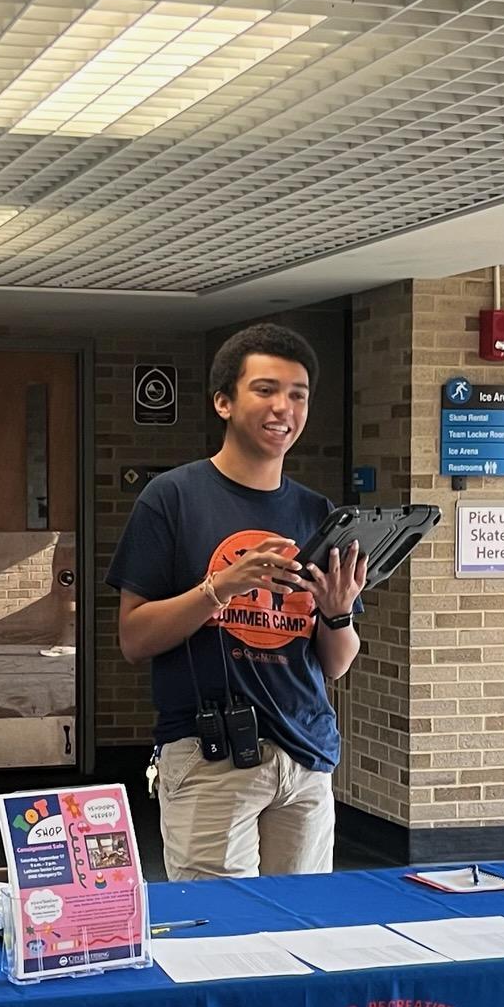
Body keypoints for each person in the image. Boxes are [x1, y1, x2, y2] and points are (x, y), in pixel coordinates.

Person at [106, 323, 366, 881]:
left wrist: (339, 611)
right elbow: (134, 638)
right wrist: (221, 586)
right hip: (210, 755)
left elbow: (336, 663)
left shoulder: (315, 513)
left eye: (298, 395)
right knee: (217, 940)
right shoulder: (172, 499)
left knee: (303, 936)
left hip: (306, 756)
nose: (283, 408)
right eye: (266, 390)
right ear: (223, 401)